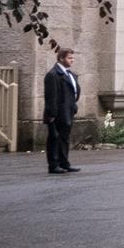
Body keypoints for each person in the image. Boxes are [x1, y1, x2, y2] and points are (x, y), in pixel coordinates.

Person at [41, 46, 81, 175]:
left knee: (64, 138)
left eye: (72, 58)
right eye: (69, 58)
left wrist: (74, 106)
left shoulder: (70, 74)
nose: (72, 60)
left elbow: (75, 91)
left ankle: (64, 163)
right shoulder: (52, 75)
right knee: (54, 138)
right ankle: (53, 165)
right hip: (57, 112)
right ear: (61, 58)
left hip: (68, 111)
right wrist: (51, 114)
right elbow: (50, 97)